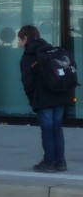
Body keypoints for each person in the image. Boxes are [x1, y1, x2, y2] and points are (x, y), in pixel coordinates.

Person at [17, 25, 70, 173]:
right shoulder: (50, 49)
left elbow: (27, 82)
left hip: (43, 99)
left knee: (47, 129)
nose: (19, 44)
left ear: (25, 38)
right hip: (59, 96)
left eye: (19, 40)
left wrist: (32, 100)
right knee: (56, 128)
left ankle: (49, 162)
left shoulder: (28, 56)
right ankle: (60, 162)